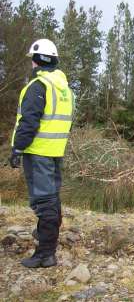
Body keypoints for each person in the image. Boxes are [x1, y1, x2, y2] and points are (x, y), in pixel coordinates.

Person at [9, 39, 74, 268]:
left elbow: (29, 122)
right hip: (56, 152)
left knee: (44, 201)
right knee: (52, 198)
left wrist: (17, 148)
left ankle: (46, 253)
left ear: (36, 61)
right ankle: (44, 236)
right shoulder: (65, 90)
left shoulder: (38, 87)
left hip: (37, 153)